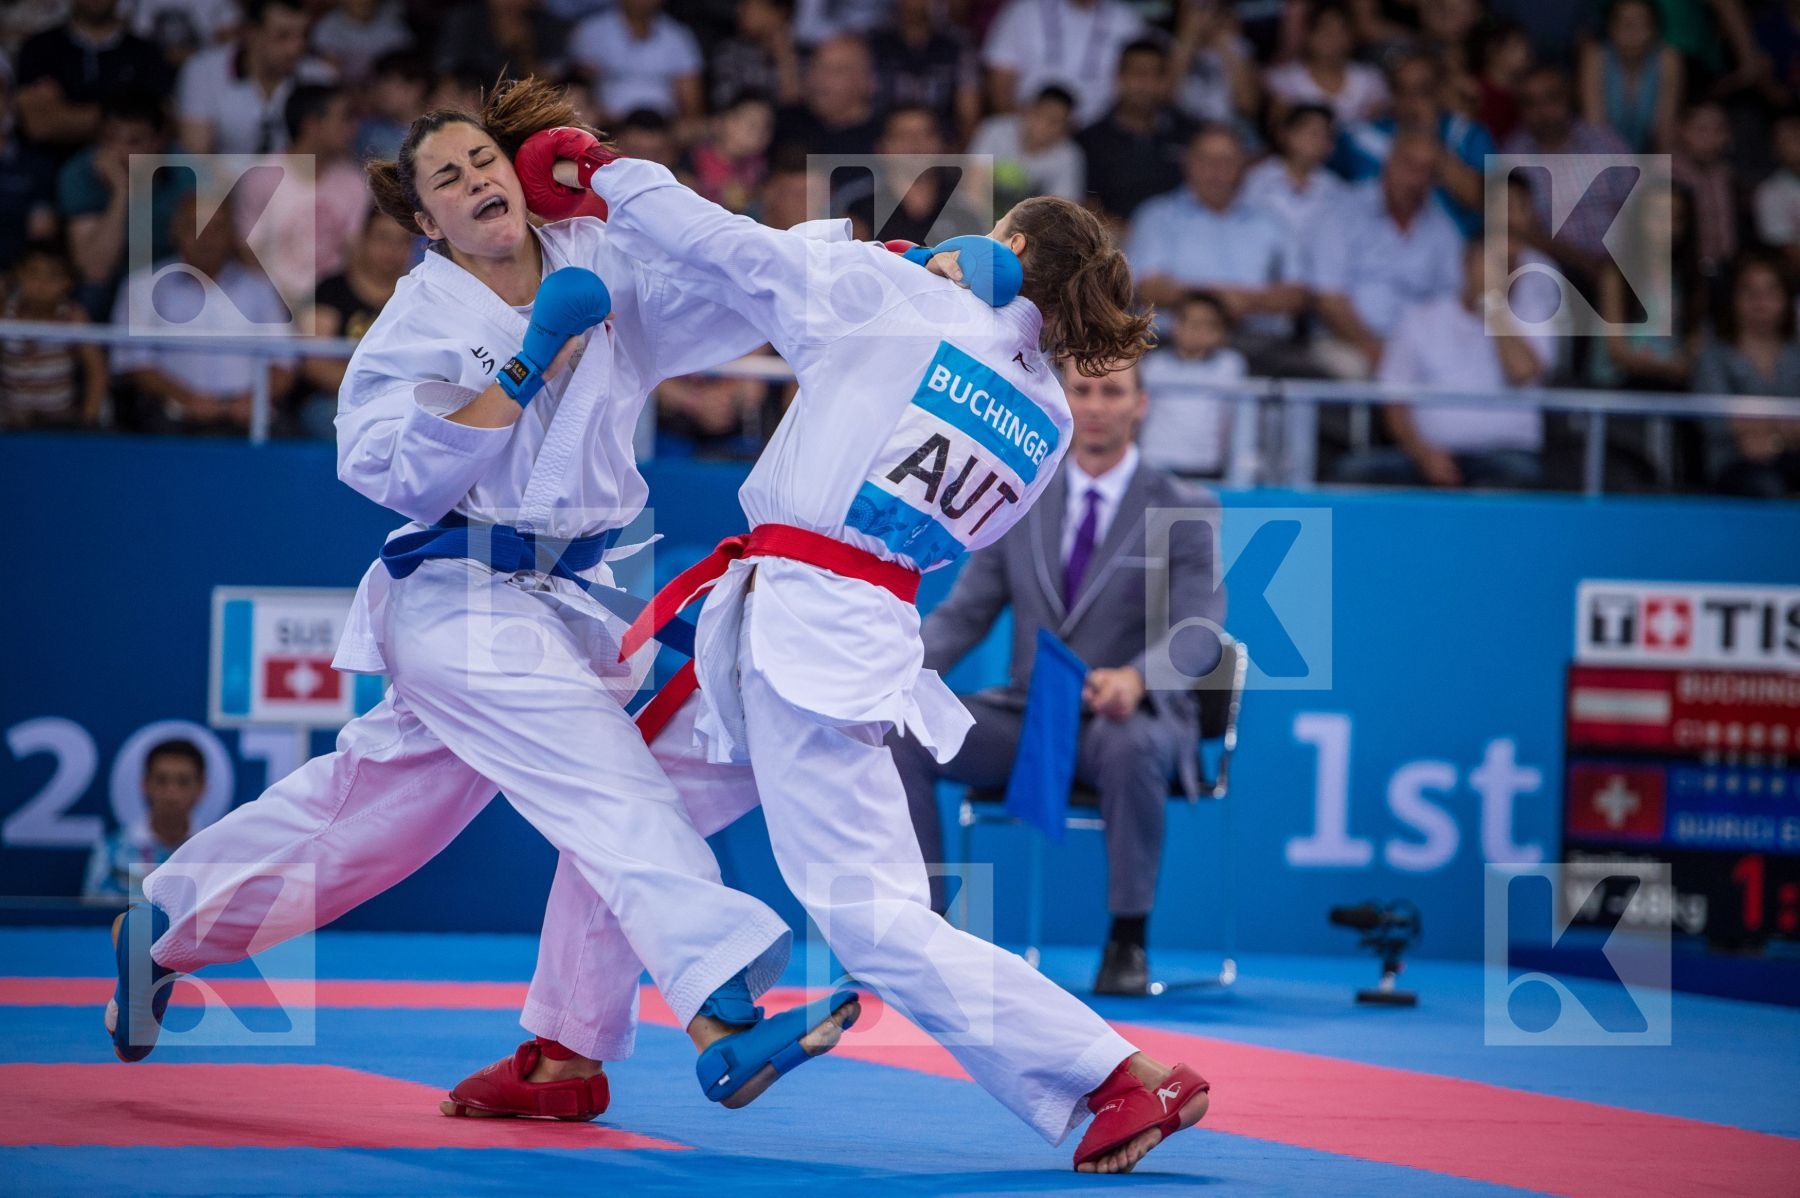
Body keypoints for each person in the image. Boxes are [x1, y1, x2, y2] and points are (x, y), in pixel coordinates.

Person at [106, 82, 854, 1121]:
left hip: (578, 598)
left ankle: (167, 920)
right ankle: (721, 1017)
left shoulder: (596, 266)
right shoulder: (417, 324)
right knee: (611, 786)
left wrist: (889, 273)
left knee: (371, 824)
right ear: (424, 219)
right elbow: (395, 476)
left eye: (485, 163)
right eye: (447, 179)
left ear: (519, 173)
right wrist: (528, 355)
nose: (475, 183)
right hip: (458, 596)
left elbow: (738, 289)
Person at [514, 122, 1209, 1174]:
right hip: (832, 621)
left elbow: (727, 245)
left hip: (806, 620)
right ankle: (563, 1050)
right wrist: (905, 272)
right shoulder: (1049, 412)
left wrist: (609, 174)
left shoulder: (909, 303)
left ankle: (1113, 1073)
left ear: (1008, 248)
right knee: (624, 808)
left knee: (873, 918)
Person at [891, 351, 1224, 995]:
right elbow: (964, 614)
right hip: (1027, 716)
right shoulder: (1020, 496)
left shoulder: (1187, 506)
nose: (1096, 406)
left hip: (1128, 717)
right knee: (904, 730)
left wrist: (1137, 678)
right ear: (1064, 400)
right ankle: (921, 929)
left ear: (1140, 404)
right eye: (1083, 391)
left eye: (1112, 392)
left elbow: (1198, 631)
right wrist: (895, 671)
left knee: (1130, 746)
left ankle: (1128, 940)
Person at [1333, 238, 1553, 489]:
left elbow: (1522, 371)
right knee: (1354, 472)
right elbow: (1394, 403)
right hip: (1425, 454)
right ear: (1467, 263)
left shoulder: (1534, 317)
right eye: (1497, 263)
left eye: (1513, 265)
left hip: (1504, 456)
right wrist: (1423, 455)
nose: (1505, 273)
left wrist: (1492, 307)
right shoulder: (1421, 319)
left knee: (1519, 476)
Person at [109, 190, 298, 435]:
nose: (205, 237)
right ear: (175, 230)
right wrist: (187, 399)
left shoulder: (260, 289)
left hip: (248, 412)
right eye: (194, 226)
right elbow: (132, 362)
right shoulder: (141, 287)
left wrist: (253, 399)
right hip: (171, 409)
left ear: (232, 235)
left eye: (217, 228)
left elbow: (285, 361)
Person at [1127, 124, 1304, 352]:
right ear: (1187, 162)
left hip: (1258, 344)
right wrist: (1218, 303)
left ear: (1244, 166)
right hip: (1170, 344)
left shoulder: (1271, 221)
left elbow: (1297, 294)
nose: (1216, 170)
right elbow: (1148, 287)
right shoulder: (1157, 216)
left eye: (1227, 161)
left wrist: (1249, 302)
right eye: (1205, 160)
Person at [1304, 129, 1464, 379]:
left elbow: (1449, 303)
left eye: (1427, 170)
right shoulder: (1340, 213)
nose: (1416, 178)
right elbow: (1329, 300)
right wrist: (1375, 350)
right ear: (1388, 164)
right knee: (1353, 369)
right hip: (1348, 342)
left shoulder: (1443, 231)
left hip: (1417, 348)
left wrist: (1416, 353)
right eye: (1409, 165)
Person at [12, 0, 173, 163]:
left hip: (128, 168)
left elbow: (159, 125)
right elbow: (40, 126)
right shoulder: (39, 48)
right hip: (48, 170)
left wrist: (65, 114)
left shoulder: (146, 52)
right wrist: (129, 115)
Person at [1695, 255, 1800, 498]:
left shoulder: (1796, 353)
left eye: (1771, 292)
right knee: (1767, 488)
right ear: (1733, 298)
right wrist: (1785, 429)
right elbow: (1716, 420)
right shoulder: (1714, 353)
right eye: (1750, 293)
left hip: (1793, 456)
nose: (1760, 303)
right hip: (1733, 462)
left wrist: (1773, 440)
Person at [175, 0, 336, 156]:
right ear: (251, 33)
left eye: (303, 35)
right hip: (223, 181)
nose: (296, 47)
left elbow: (331, 153)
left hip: (299, 181)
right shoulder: (203, 70)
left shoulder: (321, 77)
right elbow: (197, 153)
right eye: (283, 36)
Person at [1075, 38, 1197, 226]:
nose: (1145, 83)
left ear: (1166, 81)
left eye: (1155, 74)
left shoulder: (1191, 133)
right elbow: (1086, 209)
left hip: (1187, 238)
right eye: (1137, 73)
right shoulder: (1090, 140)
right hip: (1117, 244)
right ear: (1119, 78)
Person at [981, 0, 1146, 126]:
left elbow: (1142, 82)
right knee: (977, 163)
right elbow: (1000, 79)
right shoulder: (1024, 10)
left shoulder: (1127, 21)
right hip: (1022, 127)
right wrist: (1015, 129)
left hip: (1096, 136)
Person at [1138, 290, 1247, 479]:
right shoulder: (1154, 366)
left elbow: (1233, 421)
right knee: (1153, 510)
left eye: (1206, 325)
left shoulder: (1230, 366)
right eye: (1190, 322)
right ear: (1176, 326)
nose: (1196, 331)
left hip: (1206, 467)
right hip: (1156, 464)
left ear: (1220, 332)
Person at [0, 239, 107, 430]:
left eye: (51, 277)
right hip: (9, 422)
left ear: (68, 282)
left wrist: (87, 423)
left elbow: (96, 371)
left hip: (58, 423)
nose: (40, 284)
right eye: (33, 274)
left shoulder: (72, 317)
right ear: (18, 274)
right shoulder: (4, 314)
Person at [83, 740, 206, 901]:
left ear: (201, 787)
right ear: (145, 785)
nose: (171, 793)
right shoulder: (110, 853)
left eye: (183, 781)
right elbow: (95, 920)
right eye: (162, 780)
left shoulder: (215, 851)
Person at [570, 0, 703, 131]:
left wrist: (682, 125)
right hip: (607, 123)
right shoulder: (592, 31)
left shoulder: (678, 36)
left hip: (663, 127)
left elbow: (690, 97)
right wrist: (601, 116)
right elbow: (582, 85)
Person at [1578, 0, 1683, 153]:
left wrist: (1662, 171)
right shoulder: (1596, 57)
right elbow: (1596, 128)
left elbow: (1664, 129)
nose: (1632, 33)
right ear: (1610, 27)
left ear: (1655, 29)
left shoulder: (1668, 59)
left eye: (1641, 24)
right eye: (1625, 24)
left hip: (1649, 156)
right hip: (1603, 157)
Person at [872, 0, 981, 146]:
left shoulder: (956, 44)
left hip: (941, 142)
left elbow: (969, 114)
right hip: (885, 140)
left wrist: (958, 151)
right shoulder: (875, 43)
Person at [1264, 0, 1388, 127]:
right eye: (1325, 30)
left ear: (1352, 35)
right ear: (1308, 35)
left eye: (1341, 30)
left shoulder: (1371, 79)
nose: (1333, 38)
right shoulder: (1284, 81)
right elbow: (1280, 130)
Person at [968, 84, 1086, 211]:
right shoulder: (994, 130)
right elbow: (973, 187)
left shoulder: (1069, 156)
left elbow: (1061, 213)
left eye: (1058, 122)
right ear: (1029, 111)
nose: (1049, 127)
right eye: (1044, 116)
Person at [1242, 103, 1343, 247]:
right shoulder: (1255, 180)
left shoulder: (1337, 189)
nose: (1320, 141)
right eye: (1313, 133)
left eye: (1327, 135)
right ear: (1286, 135)